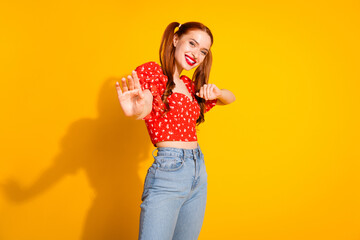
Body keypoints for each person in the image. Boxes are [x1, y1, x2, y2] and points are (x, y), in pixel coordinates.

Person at [115, 21, 235, 240]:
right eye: (192, 43)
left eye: (203, 51)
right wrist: (137, 110)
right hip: (169, 171)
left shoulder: (191, 86)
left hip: (198, 172)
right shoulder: (154, 73)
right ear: (175, 39)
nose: (196, 54)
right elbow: (146, 105)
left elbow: (230, 98)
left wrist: (218, 92)